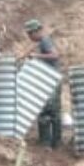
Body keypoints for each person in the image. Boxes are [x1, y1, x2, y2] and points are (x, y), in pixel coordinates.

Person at [24, 19, 62, 148]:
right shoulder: (42, 42)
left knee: (47, 111)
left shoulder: (45, 41)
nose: (29, 37)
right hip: (50, 79)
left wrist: (36, 56)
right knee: (53, 111)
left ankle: (47, 143)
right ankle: (55, 142)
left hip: (50, 80)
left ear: (35, 31)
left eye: (30, 34)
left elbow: (55, 55)